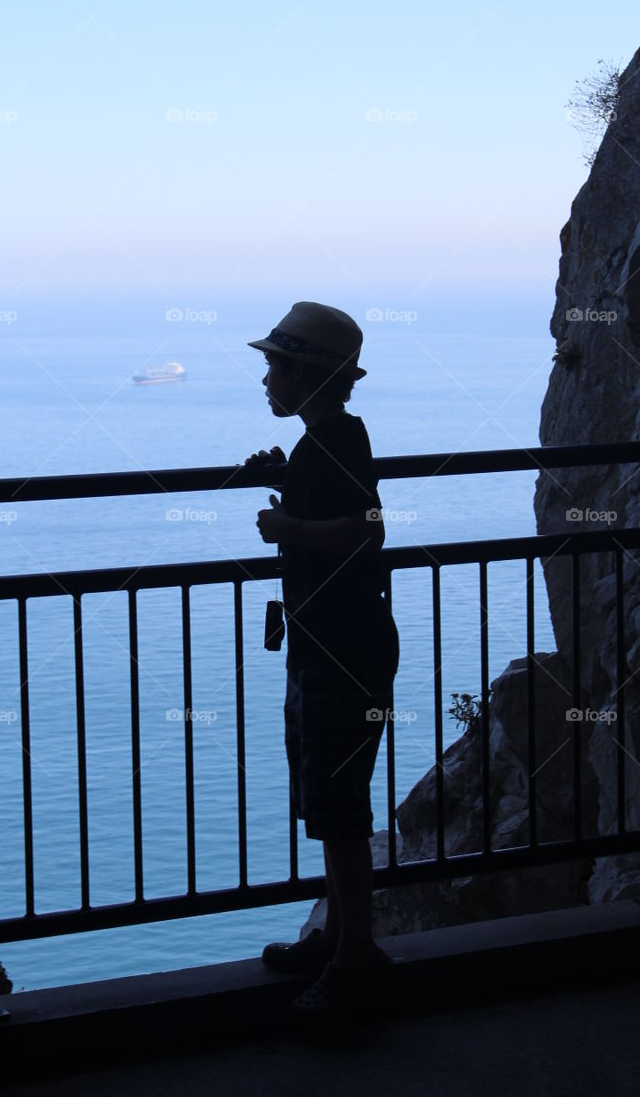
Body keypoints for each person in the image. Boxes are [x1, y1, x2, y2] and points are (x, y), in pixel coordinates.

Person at [244, 301, 400, 1020]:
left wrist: (286, 525)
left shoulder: (334, 439)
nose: (268, 379)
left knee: (338, 811)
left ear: (305, 374)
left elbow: (365, 530)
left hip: (340, 652)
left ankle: (354, 963)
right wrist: (288, 480)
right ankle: (336, 940)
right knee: (329, 800)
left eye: (276, 366)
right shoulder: (327, 439)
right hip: (334, 646)